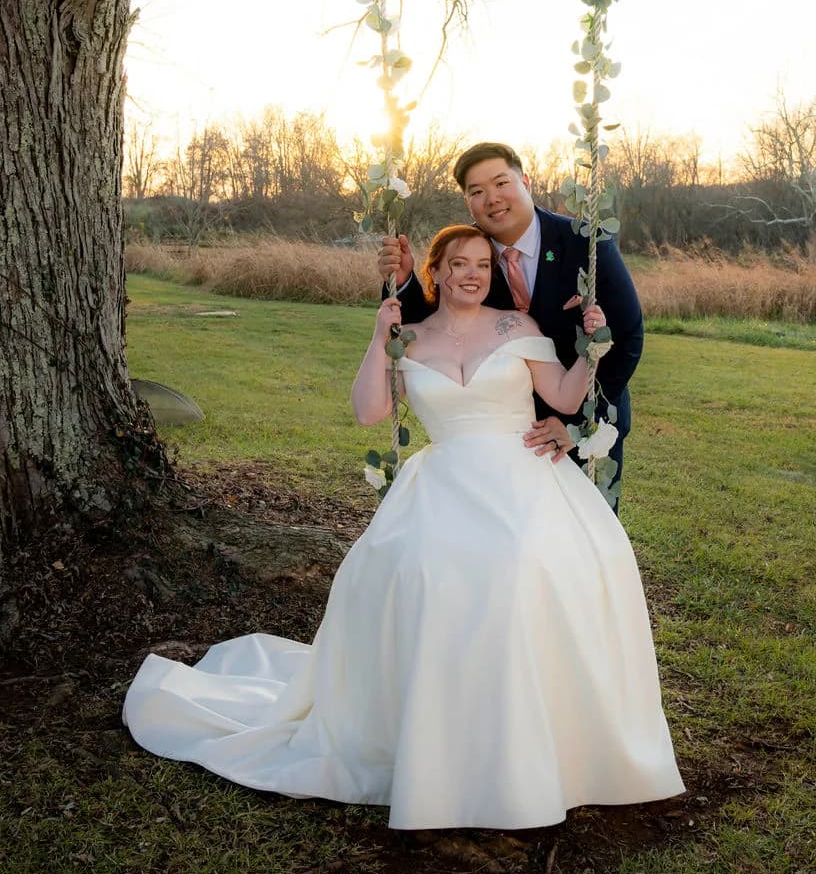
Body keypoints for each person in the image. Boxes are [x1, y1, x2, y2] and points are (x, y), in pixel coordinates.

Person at [122, 225, 684, 831]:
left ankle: (527, 736)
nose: (472, 274)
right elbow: (370, 412)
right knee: (423, 569)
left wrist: (591, 346)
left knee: (520, 565)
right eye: (459, 264)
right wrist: (378, 332)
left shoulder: (518, 329)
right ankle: (435, 733)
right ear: (434, 272)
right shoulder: (409, 339)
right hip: (443, 482)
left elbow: (569, 399)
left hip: (524, 476)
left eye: (483, 266)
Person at [379, 142, 643, 503]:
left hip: (584, 421)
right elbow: (430, 324)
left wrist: (579, 427)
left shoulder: (585, 243)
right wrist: (404, 280)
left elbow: (626, 336)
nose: (492, 198)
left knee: (583, 538)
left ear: (526, 182)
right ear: (468, 202)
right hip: (503, 438)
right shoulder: (469, 250)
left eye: (501, 183)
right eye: (477, 191)